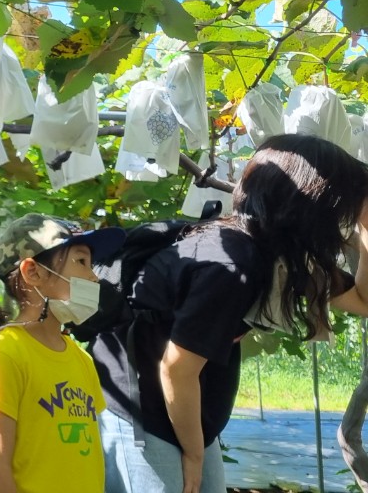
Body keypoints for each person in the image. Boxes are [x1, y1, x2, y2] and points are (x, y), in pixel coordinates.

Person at [93, 134, 368, 493]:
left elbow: (363, 301)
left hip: (188, 414)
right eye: (343, 206)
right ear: (311, 207)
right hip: (144, 412)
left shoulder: (281, 256)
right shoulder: (231, 262)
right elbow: (176, 369)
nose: (343, 219)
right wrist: (193, 454)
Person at [0, 213, 124, 493]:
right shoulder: (6, 353)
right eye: (81, 261)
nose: (93, 276)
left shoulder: (81, 359)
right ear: (33, 272)